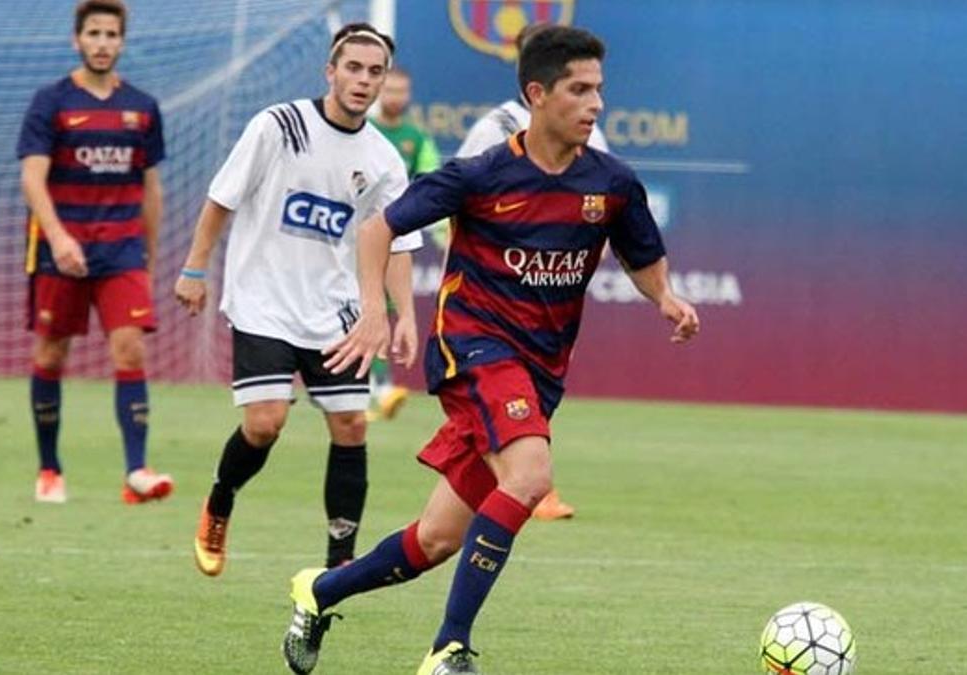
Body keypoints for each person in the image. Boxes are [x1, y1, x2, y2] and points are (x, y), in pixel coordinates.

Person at [280, 25, 700, 675]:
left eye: (599, 91)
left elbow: (642, 252)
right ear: (536, 93)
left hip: (540, 371)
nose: (596, 105)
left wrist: (665, 298)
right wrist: (374, 312)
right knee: (530, 476)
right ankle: (449, 648)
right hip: (473, 346)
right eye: (579, 90)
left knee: (437, 538)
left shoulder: (612, 183)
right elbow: (377, 229)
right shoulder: (479, 175)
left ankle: (318, 590)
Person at [174, 22, 422, 576]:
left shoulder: (383, 158)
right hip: (262, 298)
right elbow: (222, 199)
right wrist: (194, 268)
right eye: (352, 68)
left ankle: (339, 561)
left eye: (373, 71)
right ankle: (220, 500)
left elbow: (399, 241)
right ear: (330, 72)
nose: (362, 80)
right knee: (265, 423)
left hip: (334, 308)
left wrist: (405, 314)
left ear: (384, 81)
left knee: (352, 425)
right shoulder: (279, 125)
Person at [451, 22, 609, 522]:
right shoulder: (495, 128)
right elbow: (459, 197)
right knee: (509, 391)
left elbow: (603, 196)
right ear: (531, 81)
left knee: (538, 386)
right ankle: (532, 485)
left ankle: (511, 479)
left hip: (552, 289)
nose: (590, 100)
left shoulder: (588, 126)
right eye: (577, 86)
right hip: (498, 293)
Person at [17, 0, 173, 505]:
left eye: (111, 34)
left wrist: (147, 257)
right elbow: (32, 178)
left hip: (122, 250)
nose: (103, 42)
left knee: (130, 348)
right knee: (50, 354)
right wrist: (58, 238)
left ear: (122, 42)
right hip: (61, 250)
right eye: (94, 33)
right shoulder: (51, 102)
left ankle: (137, 470)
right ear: (77, 40)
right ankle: (49, 469)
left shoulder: (143, 108)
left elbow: (151, 189)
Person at [365, 67, 443, 422]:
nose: (395, 96)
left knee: (383, 309)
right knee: (365, 308)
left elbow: (432, 186)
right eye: (390, 89)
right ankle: (372, 390)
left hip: (394, 239)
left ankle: (375, 390)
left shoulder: (417, 138)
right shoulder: (364, 131)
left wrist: (445, 236)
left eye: (402, 90)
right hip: (355, 237)